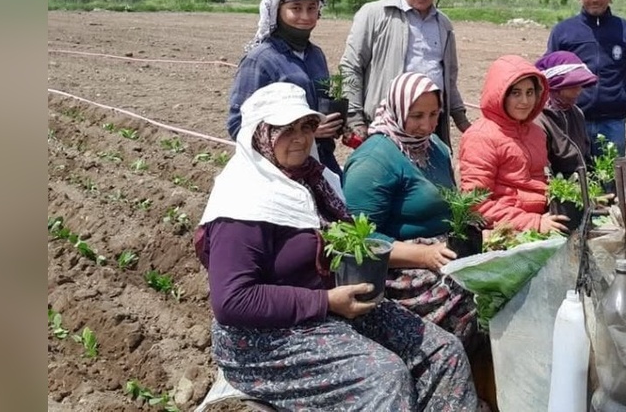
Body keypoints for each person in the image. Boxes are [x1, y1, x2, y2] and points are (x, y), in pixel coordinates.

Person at [196, 83, 477, 412]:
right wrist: (325, 301)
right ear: (261, 136)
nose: (300, 139)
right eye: (285, 130)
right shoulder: (244, 202)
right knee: (384, 377)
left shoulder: (311, 180)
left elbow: (343, 241)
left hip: (328, 308)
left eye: (306, 127)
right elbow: (233, 301)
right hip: (263, 337)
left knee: (444, 352)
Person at [341, 72, 479, 346]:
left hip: (440, 254)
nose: (427, 125)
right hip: (398, 270)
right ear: (397, 109)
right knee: (469, 300)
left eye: (433, 114)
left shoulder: (435, 147)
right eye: (416, 116)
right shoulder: (374, 161)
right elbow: (358, 240)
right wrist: (423, 255)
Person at [340, 0, 470, 149]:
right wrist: (354, 118)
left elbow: (448, 78)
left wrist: (462, 120)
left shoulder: (444, 24)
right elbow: (351, 67)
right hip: (384, 128)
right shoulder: (374, 14)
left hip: (430, 127)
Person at [227, 0, 345, 176]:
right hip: (280, 172)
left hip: (322, 163)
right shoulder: (261, 60)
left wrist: (335, 122)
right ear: (276, 10)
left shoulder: (316, 55)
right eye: (296, 8)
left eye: (312, 8)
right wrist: (307, 133)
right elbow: (238, 126)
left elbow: (319, 106)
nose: (306, 16)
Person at [546, 0, 626, 163]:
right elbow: (549, 78)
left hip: (613, 123)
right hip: (572, 122)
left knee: (610, 182)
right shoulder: (563, 32)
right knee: (574, 181)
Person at [458, 55, 569, 234]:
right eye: (516, 93)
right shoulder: (480, 137)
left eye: (530, 92)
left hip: (541, 219)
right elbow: (475, 205)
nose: (525, 101)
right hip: (504, 231)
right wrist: (533, 223)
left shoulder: (536, 133)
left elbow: (537, 184)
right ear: (500, 95)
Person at [534, 50, 598, 181]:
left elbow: (586, 155)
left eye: (580, 84)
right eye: (573, 85)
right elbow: (544, 172)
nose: (579, 90)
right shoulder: (538, 120)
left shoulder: (576, 113)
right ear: (555, 86)